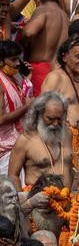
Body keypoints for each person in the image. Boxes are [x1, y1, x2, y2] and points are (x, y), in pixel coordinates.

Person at [8, 93, 72, 190]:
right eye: (50, 119)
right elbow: (13, 175)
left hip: (68, 197)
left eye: (59, 119)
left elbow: (70, 168)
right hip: (37, 197)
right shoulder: (26, 140)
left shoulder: (67, 134)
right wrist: (21, 197)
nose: (55, 124)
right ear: (39, 115)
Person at [22, 0, 68, 97]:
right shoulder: (65, 16)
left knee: (40, 105)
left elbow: (29, 33)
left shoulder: (43, 9)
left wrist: (22, 37)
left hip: (41, 70)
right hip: (60, 69)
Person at [0, 41, 33, 174]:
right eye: (13, 60)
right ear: (1, 62)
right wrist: (27, 107)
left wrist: (27, 77)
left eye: (18, 59)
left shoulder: (14, 77)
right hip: (5, 148)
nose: (18, 63)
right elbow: (1, 119)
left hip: (17, 142)